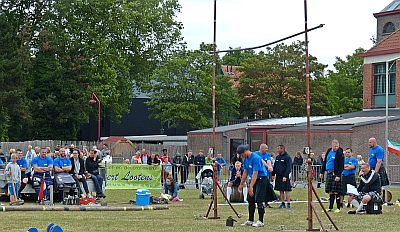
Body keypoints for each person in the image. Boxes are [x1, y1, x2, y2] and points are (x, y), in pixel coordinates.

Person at [238, 145, 269, 228]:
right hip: (254, 180)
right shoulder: (246, 159)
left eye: (241, 154)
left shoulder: (256, 158)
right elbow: (245, 172)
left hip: (261, 179)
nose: (241, 156)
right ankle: (250, 220)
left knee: (259, 199)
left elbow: (256, 173)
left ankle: (260, 221)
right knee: (250, 199)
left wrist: (251, 186)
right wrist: (241, 184)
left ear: (245, 151)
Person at [320, 139, 344, 213]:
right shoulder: (329, 151)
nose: (336, 148)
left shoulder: (340, 153)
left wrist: (338, 175)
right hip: (329, 173)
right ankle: (330, 207)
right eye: (334, 146)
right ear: (332, 145)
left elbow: (341, 166)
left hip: (335, 173)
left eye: (337, 146)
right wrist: (322, 172)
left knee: (336, 191)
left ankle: (338, 208)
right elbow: (325, 162)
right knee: (330, 191)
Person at [272, 145, 293, 209]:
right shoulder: (277, 157)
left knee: (287, 190)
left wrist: (285, 176)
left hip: (284, 176)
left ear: (282, 149)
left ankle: (288, 203)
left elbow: (288, 168)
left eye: (278, 149)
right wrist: (273, 174)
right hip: (278, 176)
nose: (277, 150)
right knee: (281, 190)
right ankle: (282, 203)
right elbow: (275, 166)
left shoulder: (287, 157)